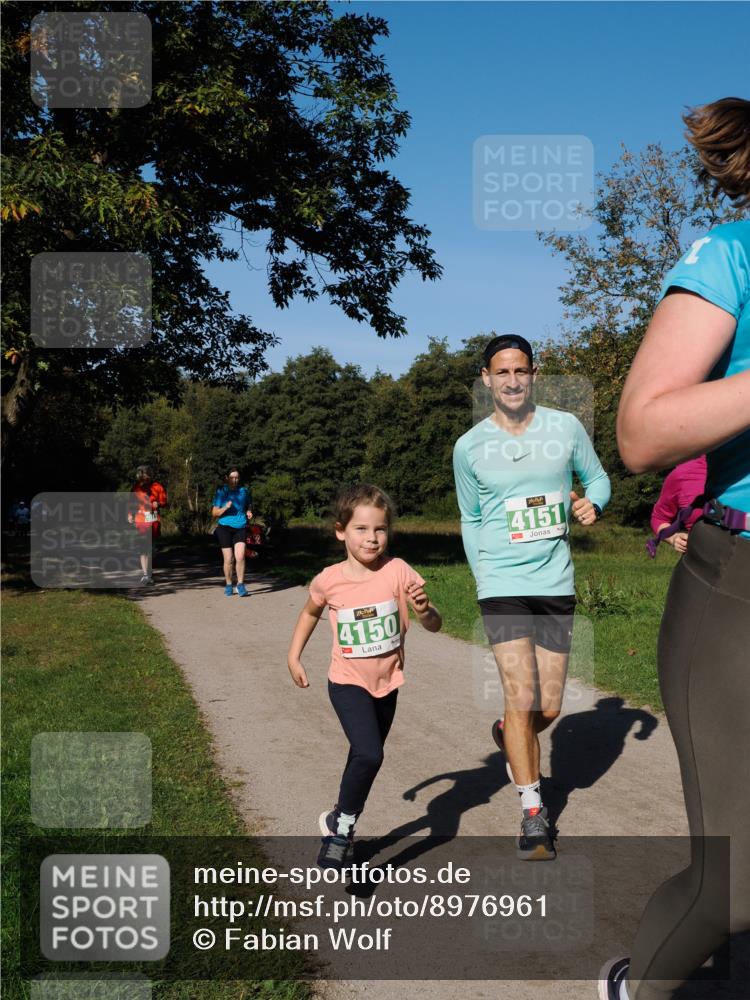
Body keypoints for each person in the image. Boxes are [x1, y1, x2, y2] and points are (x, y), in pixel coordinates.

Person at [599, 97, 750, 1000]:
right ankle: (636, 989)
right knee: (735, 888)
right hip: (738, 590)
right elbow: (643, 433)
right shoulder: (728, 255)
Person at [453, 334, 610, 860]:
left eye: (521, 370)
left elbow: (599, 479)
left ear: (534, 374)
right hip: (501, 585)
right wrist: (483, 578)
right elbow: (471, 518)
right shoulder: (469, 446)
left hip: (554, 583)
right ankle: (532, 814)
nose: (513, 380)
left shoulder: (564, 429)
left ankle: (508, 730)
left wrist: (593, 505)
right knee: (521, 697)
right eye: (503, 372)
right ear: (487, 379)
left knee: (547, 705)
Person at [286, 483, 442, 870]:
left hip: (387, 684)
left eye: (380, 529)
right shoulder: (329, 579)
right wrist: (294, 656)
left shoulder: (398, 570)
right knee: (371, 752)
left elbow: (435, 624)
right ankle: (342, 835)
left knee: (364, 757)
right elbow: (309, 613)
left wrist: (424, 611)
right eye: (361, 529)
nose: (372, 538)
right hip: (346, 681)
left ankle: (338, 816)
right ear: (341, 530)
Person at [648, 455, 707, 555]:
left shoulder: (741, 469)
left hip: (741, 557)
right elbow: (659, 518)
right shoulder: (683, 474)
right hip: (699, 562)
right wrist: (673, 538)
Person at [211, 467, 253, 596]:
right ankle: (229, 584)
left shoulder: (244, 491)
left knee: (240, 556)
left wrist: (248, 511)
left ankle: (240, 585)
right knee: (229, 559)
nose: (235, 480)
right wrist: (225, 507)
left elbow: (248, 504)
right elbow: (214, 513)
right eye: (232, 477)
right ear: (227, 478)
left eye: (237, 477)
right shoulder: (221, 492)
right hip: (224, 528)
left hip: (240, 526)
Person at [128, 464, 167, 585]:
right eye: (141, 474)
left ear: (149, 475)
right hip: (140, 520)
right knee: (143, 548)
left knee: (150, 549)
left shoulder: (157, 487)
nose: (142, 477)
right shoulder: (136, 488)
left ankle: (149, 573)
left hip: (153, 520)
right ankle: (146, 575)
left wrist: (158, 504)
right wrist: (130, 514)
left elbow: (164, 502)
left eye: (144, 474)